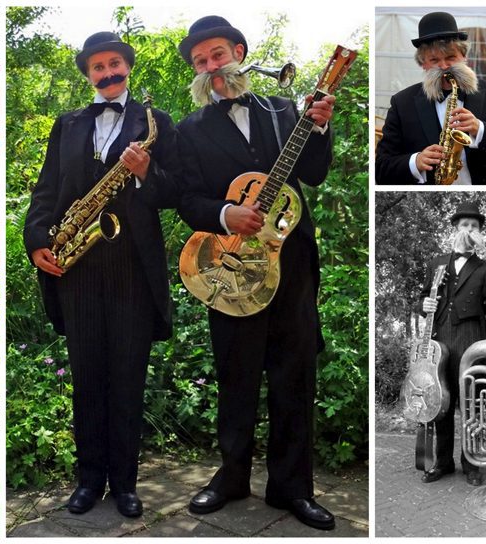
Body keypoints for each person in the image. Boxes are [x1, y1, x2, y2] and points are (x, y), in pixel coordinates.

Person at [175, 15, 335, 530]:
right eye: (200, 61)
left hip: (292, 266)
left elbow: (313, 173)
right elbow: (185, 199)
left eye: (217, 54)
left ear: (239, 52)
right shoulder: (190, 130)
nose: (210, 67)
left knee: (295, 375)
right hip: (231, 264)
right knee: (236, 376)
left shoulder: (280, 109)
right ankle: (231, 477)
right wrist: (225, 214)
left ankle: (292, 489)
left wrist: (321, 125)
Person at [23, 31, 180, 518]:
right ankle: (89, 481)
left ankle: (126, 484)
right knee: (87, 377)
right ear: (88, 74)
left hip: (132, 267)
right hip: (78, 267)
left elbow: (176, 191)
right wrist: (36, 242)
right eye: (98, 67)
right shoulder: (67, 123)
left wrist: (145, 170)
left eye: (115, 63)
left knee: (128, 377)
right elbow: (47, 188)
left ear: (127, 67)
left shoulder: (156, 123)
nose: (108, 72)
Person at [376, 11, 486, 185]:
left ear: (464, 56)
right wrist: (416, 162)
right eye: (434, 60)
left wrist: (480, 129)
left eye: (451, 57)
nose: (444, 66)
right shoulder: (402, 103)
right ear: (423, 63)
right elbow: (381, 169)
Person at [416, 202, 486, 486]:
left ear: (480, 232)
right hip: (439, 339)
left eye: (474, 226)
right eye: (464, 225)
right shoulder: (437, 262)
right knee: (440, 403)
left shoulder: (485, 265)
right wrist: (422, 304)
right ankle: (442, 462)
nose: (469, 230)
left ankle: (472, 463)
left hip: (470, 338)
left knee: (472, 404)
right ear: (455, 229)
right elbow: (419, 297)